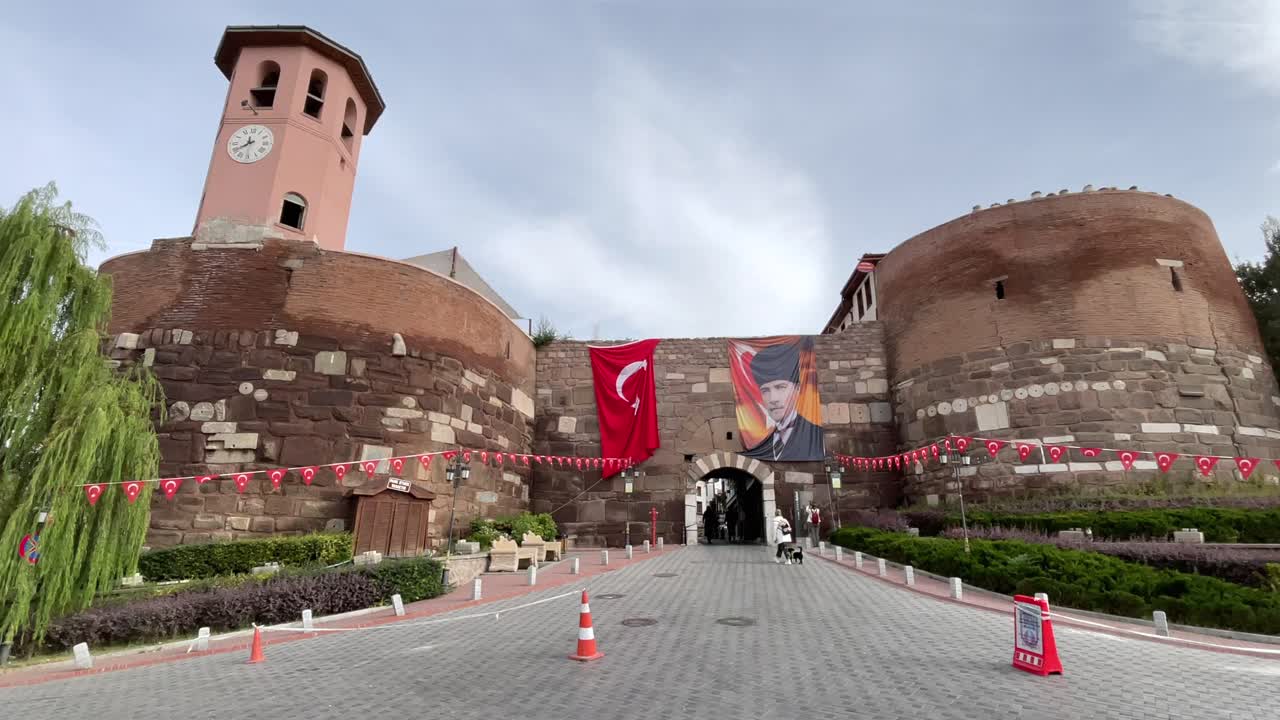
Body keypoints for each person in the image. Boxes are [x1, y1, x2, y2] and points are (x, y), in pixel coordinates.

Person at [742, 341, 825, 461]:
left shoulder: (814, 435)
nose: (773, 399)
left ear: (797, 390)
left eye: (780, 387)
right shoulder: (762, 444)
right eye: (765, 391)